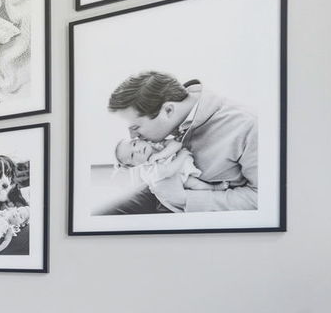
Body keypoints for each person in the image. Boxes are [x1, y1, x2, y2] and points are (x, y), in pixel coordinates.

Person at [96, 71, 258, 215]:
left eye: (136, 127)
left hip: (200, 203)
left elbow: (260, 198)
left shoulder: (248, 126)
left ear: (168, 110)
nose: (132, 136)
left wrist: (186, 199)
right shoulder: (177, 109)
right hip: (158, 189)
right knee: (98, 221)